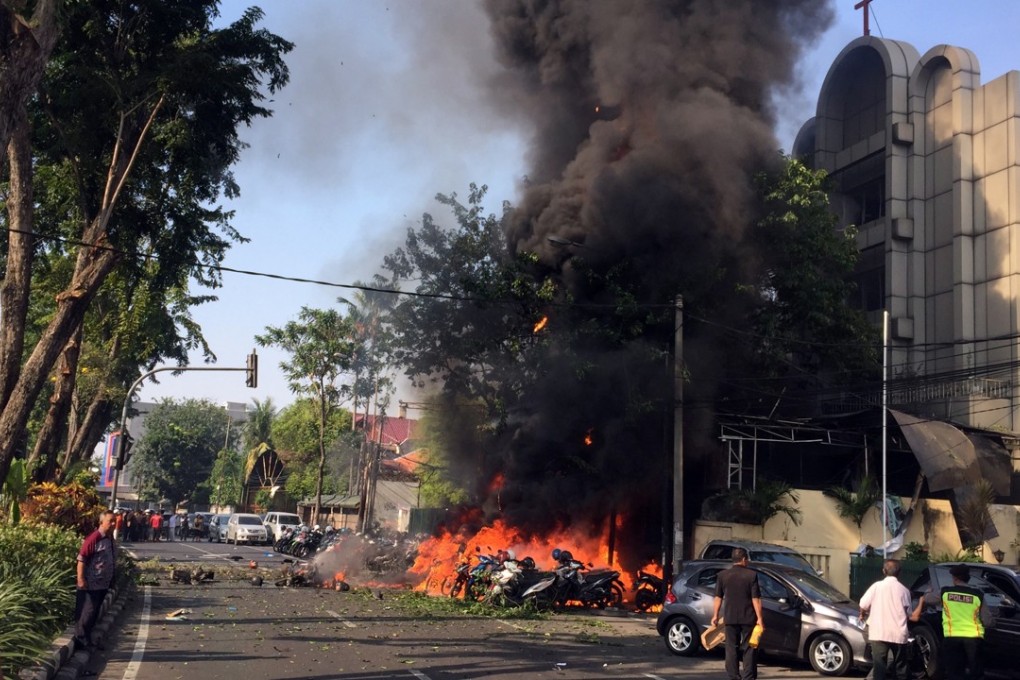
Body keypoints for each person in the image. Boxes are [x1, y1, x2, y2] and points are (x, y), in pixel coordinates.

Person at [911, 564, 984, 680]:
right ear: (968, 578)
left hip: (952, 638)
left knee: (954, 672)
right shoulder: (978, 595)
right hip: (973, 639)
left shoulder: (945, 592)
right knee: (976, 672)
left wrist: (927, 592)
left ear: (954, 578)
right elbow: (989, 620)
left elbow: (928, 599)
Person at [711, 547, 765, 680]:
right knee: (750, 648)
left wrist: (715, 615)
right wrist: (760, 618)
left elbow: (718, 597)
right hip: (748, 618)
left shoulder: (722, 575)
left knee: (731, 648)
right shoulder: (751, 575)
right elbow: (755, 599)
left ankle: (734, 676)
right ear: (744, 559)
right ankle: (748, 677)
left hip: (730, 617)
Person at [859, 558, 912, 680]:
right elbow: (908, 613)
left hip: (879, 632)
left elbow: (863, 604)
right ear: (899, 572)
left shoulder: (876, 586)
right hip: (899, 634)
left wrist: (862, 614)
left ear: (884, 571)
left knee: (879, 667)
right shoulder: (904, 591)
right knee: (901, 667)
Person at [73, 510, 116, 651]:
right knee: (87, 613)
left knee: (94, 614)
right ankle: (81, 640)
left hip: (102, 584)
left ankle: (88, 639)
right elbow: (81, 560)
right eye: (111, 521)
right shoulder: (94, 538)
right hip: (91, 584)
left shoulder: (109, 538)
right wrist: (80, 579)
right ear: (101, 522)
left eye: (115, 521)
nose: (114, 524)